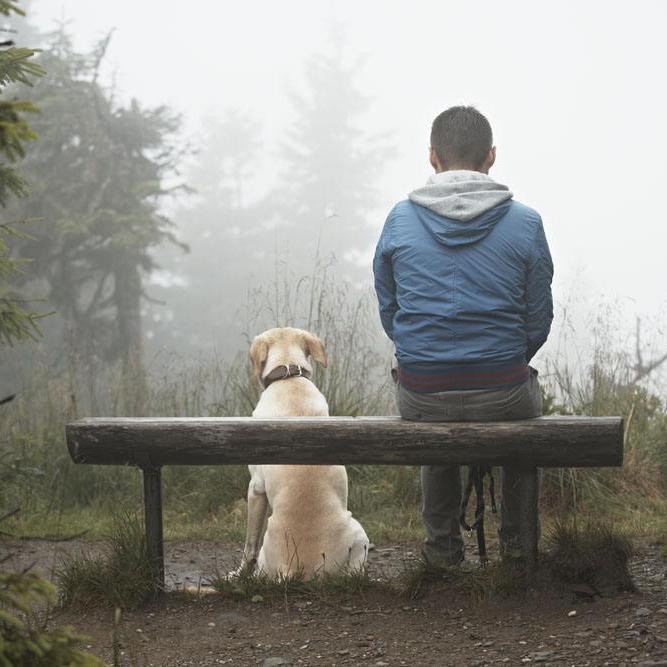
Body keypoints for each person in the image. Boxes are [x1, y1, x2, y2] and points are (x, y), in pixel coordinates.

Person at [373, 106, 554, 566]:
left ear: (432, 157)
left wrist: (425, 354)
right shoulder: (526, 222)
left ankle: (442, 554)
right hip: (504, 392)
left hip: (423, 393)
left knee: (432, 425)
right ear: (491, 157)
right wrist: (504, 360)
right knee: (520, 427)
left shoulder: (398, 220)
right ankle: (517, 554)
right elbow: (539, 317)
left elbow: (390, 307)